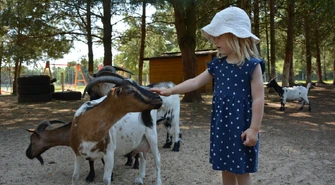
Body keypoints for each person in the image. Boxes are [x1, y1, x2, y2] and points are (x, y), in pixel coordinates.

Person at [150, 6, 265, 185]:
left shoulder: (252, 65)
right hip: (222, 126)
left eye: (218, 36)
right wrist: (170, 91)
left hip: (241, 127)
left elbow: (259, 98)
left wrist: (254, 129)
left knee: (242, 171)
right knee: (225, 169)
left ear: (234, 35)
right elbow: (195, 82)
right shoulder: (217, 64)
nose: (214, 41)